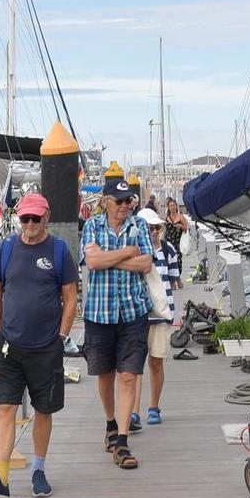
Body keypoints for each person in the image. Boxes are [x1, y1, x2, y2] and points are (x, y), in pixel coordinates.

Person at [0, 193, 77, 498]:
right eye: (25, 218)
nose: (30, 224)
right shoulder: (6, 248)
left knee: (43, 410)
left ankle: (39, 468)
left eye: (35, 218)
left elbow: (70, 298)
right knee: (5, 408)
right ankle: (1, 477)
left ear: (46, 217)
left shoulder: (59, 251)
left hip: (46, 346)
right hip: (8, 347)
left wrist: (61, 337)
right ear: (19, 219)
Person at [81, 178, 153, 468]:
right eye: (120, 201)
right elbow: (92, 263)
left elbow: (146, 264)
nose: (125, 206)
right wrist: (127, 253)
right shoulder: (92, 226)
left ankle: (122, 441)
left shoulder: (140, 226)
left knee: (127, 375)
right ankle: (110, 423)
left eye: (129, 201)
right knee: (106, 375)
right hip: (100, 313)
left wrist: (108, 258)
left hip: (133, 311)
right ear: (106, 200)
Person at [133, 205, 177, 427]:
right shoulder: (133, 249)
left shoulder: (168, 251)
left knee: (156, 362)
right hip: (137, 313)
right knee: (134, 365)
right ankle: (133, 410)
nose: (153, 232)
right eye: (149, 228)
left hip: (160, 313)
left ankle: (153, 406)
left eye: (156, 227)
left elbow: (173, 280)